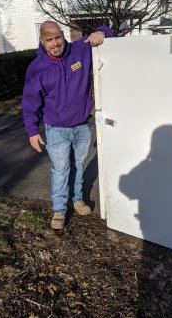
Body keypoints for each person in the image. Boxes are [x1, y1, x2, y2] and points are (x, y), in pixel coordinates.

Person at [22, 21, 112, 230]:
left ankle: (78, 199)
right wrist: (32, 131)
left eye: (57, 38)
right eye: (49, 40)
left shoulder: (80, 50)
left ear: (63, 36)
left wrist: (100, 32)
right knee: (61, 169)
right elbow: (30, 103)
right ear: (42, 42)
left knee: (78, 165)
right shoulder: (37, 69)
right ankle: (60, 209)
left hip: (82, 126)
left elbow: (107, 31)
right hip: (56, 129)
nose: (55, 43)